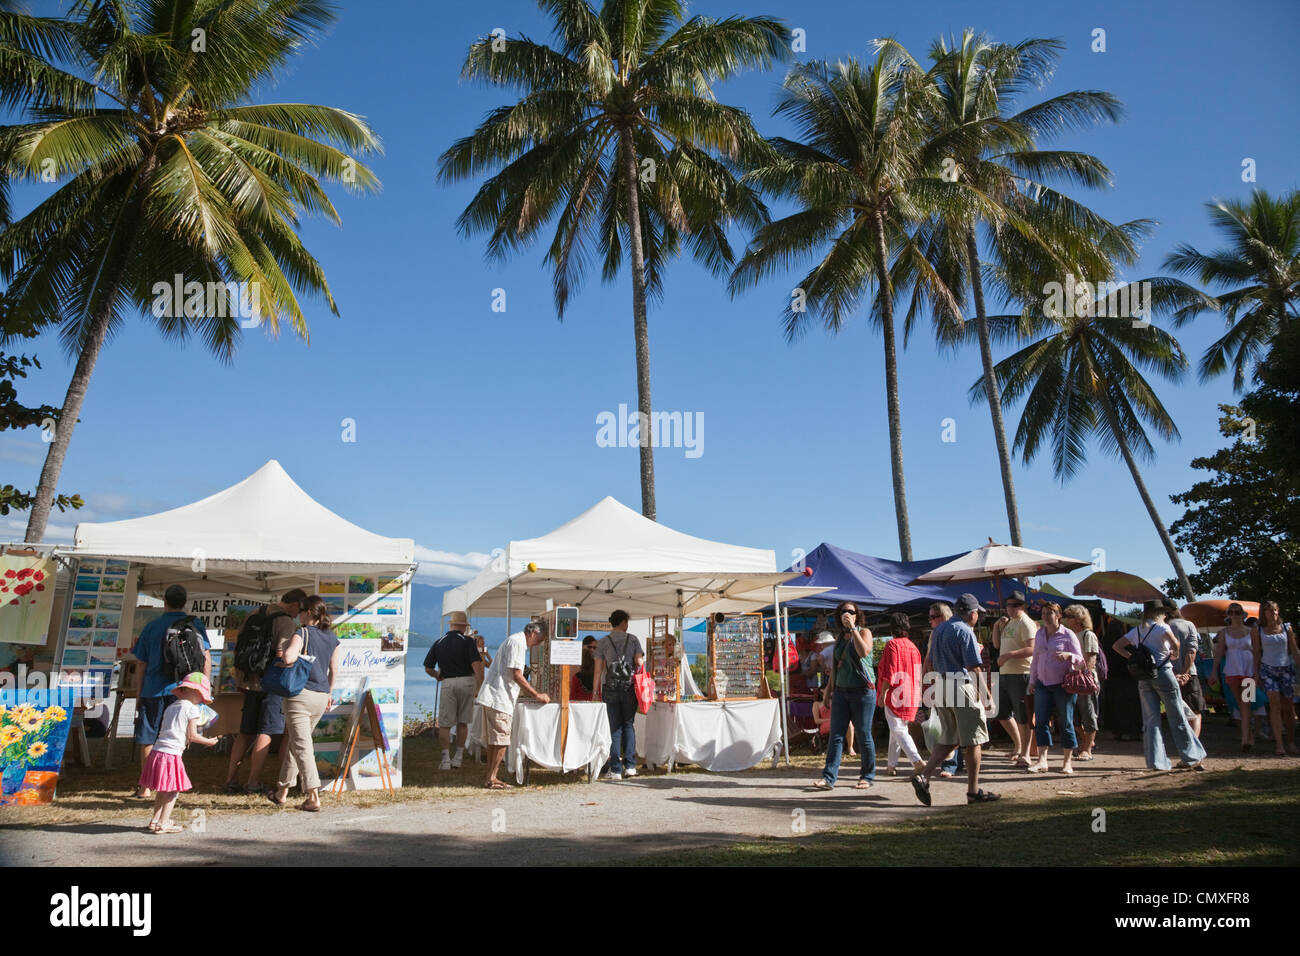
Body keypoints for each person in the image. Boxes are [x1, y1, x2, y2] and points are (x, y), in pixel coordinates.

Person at [911, 596, 999, 805]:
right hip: (960, 685)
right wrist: (987, 696)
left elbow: (930, 661)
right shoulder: (964, 630)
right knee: (973, 740)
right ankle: (973, 791)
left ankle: (924, 775)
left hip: (941, 685)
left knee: (949, 738)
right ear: (973, 613)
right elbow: (974, 667)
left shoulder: (939, 630)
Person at [130, 584, 211, 799]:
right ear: (185, 602)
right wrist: (204, 689)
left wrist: (139, 693)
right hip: (185, 691)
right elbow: (206, 659)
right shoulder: (195, 624)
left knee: (149, 737)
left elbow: (140, 663)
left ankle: (146, 787)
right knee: (177, 737)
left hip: (154, 689)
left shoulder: (152, 626)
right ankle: (170, 782)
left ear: (164, 601)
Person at [223, 589, 305, 795]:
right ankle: (253, 782)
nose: (299, 614)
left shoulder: (254, 614)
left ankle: (230, 779)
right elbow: (282, 654)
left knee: (245, 732)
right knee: (266, 731)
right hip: (272, 684)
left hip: (251, 682)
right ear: (294, 604)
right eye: (299, 609)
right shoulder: (286, 622)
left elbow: (239, 644)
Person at [1114, 601, 1206, 771]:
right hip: (1163, 672)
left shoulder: (1138, 630)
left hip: (1144, 676)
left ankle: (1156, 762)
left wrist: (1133, 658)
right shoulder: (1162, 628)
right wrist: (1175, 653)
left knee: (1151, 720)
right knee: (1176, 715)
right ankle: (1191, 756)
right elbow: (1176, 644)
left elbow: (1117, 646)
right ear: (1159, 613)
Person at [270, 595, 341, 812]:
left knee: (302, 746)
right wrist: (329, 692)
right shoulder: (332, 637)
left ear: (309, 612)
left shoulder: (302, 633)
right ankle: (282, 791)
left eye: (301, 611)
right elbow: (334, 668)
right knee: (297, 742)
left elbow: (289, 657)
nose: (299, 615)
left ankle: (313, 796)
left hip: (300, 696)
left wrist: (285, 654)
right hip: (321, 697)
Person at [475, 618, 551, 790]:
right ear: (532, 633)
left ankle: (490, 776)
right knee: (501, 739)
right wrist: (537, 694)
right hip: (499, 696)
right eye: (538, 640)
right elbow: (517, 674)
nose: (536, 644)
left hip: (494, 695)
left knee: (494, 740)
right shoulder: (517, 643)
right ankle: (492, 777)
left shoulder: (514, 641)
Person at [139, 672, 218, 833]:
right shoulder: (192, 709)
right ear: (196, 692)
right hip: (172, 754)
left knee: (163, 790)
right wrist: (209, 741)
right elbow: (192, 735)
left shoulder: (171, 707)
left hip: (157, 751)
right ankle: (164, 822)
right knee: (172, 791)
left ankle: (155, 820)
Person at [811, 601, 877, 791]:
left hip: (863, 691)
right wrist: (828, 692)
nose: (846, 614)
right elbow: (834, 668)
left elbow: (864, 651)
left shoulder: (864, 632)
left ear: (857, 615)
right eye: (843, 612)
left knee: (863, 734)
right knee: (836, 735)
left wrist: (854, 629)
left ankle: (867, 776)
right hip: (841, 691)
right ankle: (828, 778)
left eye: (850, 611)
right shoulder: (840, 637)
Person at [1026, 603, 1084, 775]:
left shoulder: (1068, 635)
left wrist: (1069, 656)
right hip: (1043, 684)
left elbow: (1081, 660)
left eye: (1050, 613)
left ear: (1058, 615)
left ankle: (1067, 762)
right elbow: (1035, 659)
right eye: (1043, 613)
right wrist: (1032, 681)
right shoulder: (1039, 634)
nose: (1046, 616)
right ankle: (1042, 761)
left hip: (1063, 685)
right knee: (1041, 722)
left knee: (1065, 722)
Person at [424, 610, 485, 770]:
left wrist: (438, 676)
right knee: (462, 721)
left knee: (444, 724)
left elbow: (428, 667)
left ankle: (445, 759)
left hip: (448, 682)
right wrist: (480, 685)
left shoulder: (439, 642)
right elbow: (476, 665)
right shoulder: (468, 642)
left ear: (451, 625)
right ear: (464, 627)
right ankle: (458, 757)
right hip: (466, 681)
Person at [594, 610, 645, 780]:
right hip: (629, 688)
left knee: (614, 728)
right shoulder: (633, 639)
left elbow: (598, 670)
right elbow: (639, 662)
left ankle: (615, 769)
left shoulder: (603, 642)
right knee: (628, 725)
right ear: (623, 622)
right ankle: (630, 766)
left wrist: (595, 692)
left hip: (610, 688)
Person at [877, 612, 924, 776]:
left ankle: (916, 760)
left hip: (895, 693)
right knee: (896, 730)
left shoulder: (892, 645)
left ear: (892, 628)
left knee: (898, 729)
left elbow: (890, 672)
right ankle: (891, 765)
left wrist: (883, 692)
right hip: (911, 692)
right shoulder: (914, 647)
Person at [992, 591, 1035, 768]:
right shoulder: (1009, 623)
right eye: (1009, 605)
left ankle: (1026, 753)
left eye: (1015, 605)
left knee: (1023, 716)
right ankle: (1018, 746)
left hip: (1021, 673)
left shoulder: (1026, 622)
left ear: (1022, 607)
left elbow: (1032, 648)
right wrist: (996, 627)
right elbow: (996, 645)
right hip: (1005, 673)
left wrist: (1010, 655)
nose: (1011, 608)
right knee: (1001, 713)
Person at [1210, 603, 1260, 752]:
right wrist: (1214, 672)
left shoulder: (1252, 631)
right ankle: (1249, 735)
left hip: (1249, 670)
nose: (1234, 615)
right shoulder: (1224, 632)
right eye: (1231, 612)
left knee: (1247, 703)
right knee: (1241, 704)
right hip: (1232, 671)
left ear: (1243, 615)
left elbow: (1257, 653)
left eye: (1237, 612)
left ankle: (1245, 739)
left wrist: (1257, 672)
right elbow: (1218, 653)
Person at [1253, 600, 1300, 756]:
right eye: (1268, 610)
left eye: (1274, 610)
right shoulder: (1258, 629)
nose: (1272, 613)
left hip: (1286, 668)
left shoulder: (1287, 628)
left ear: (1278, 611)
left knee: (1288, 707)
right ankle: (1279, 744)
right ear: (1263, 613)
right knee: (1274, 703)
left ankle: (1291, 742)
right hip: (1268, 668)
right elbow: (1257, 653)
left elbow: (1294, 650)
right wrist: (1256, 673)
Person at [1063, 604, 1100, 760]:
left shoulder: (1088, 635)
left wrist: (1081, 673)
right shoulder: (1070, 635)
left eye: (1070, 617)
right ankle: (1087, 742)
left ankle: (1087, 749)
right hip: (1071, 681)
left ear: (1078, 619)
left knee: (1088, 714)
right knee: (1074, 717)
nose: (1066, 620)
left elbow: (1091, 659)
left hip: (1084, 681)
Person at [1164, 602, 1205, 739]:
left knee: (1178, 711)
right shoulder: (1188, 625)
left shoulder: (1160, 627)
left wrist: (1176, 674)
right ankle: (1194, 745)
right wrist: (1185, 672)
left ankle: (1185, 742)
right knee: (1195, 711)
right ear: (1177, 609)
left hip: (1168, 674)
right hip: (1189, 674)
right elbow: (1191, 651)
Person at [1101, 613, 1142, 740]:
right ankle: (1133, 732)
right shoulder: (1126, 644)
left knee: (1115, 708)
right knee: (1131, 707)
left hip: (1112, 680)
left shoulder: (1104, 642)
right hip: (1127, 678)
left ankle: (1117, 732)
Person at [570, 637, 598, 702]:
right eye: (589, 647)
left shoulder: (598, 665)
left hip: (592, 703)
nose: (592, 650)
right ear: (582, 646)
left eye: (594, 648)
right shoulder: (574, 662)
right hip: (578, 703)